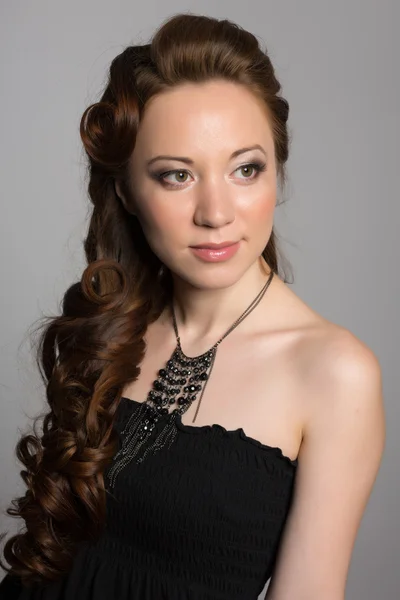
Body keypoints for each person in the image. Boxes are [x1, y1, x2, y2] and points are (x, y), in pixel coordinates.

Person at [0, 12, 385, 600]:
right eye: (177, 175)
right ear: (126, 189)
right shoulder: (114, 323)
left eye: (245, 169)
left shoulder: (334, 372)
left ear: (276, 170)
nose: (216, 211)